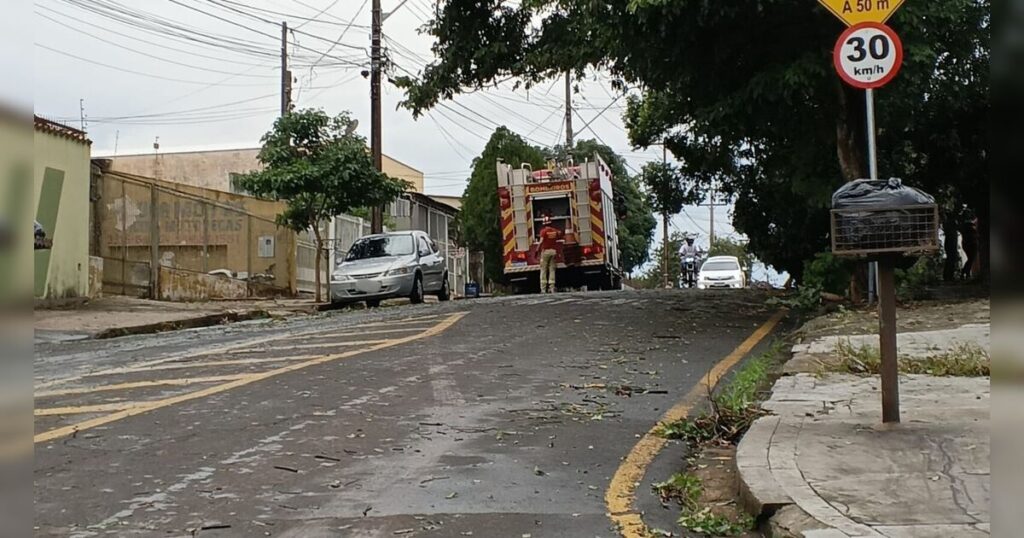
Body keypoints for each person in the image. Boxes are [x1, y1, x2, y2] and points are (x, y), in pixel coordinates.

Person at [536, 215, 563, 293]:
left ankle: (543, 288)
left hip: (545, 252)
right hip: (553, 252)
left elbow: (541, 241)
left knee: (543, 270)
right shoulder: (554, 231)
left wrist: (537, 250)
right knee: (552, 270)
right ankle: (552, 287)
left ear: (544, 224)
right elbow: (560, 233)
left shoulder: (543, 231)